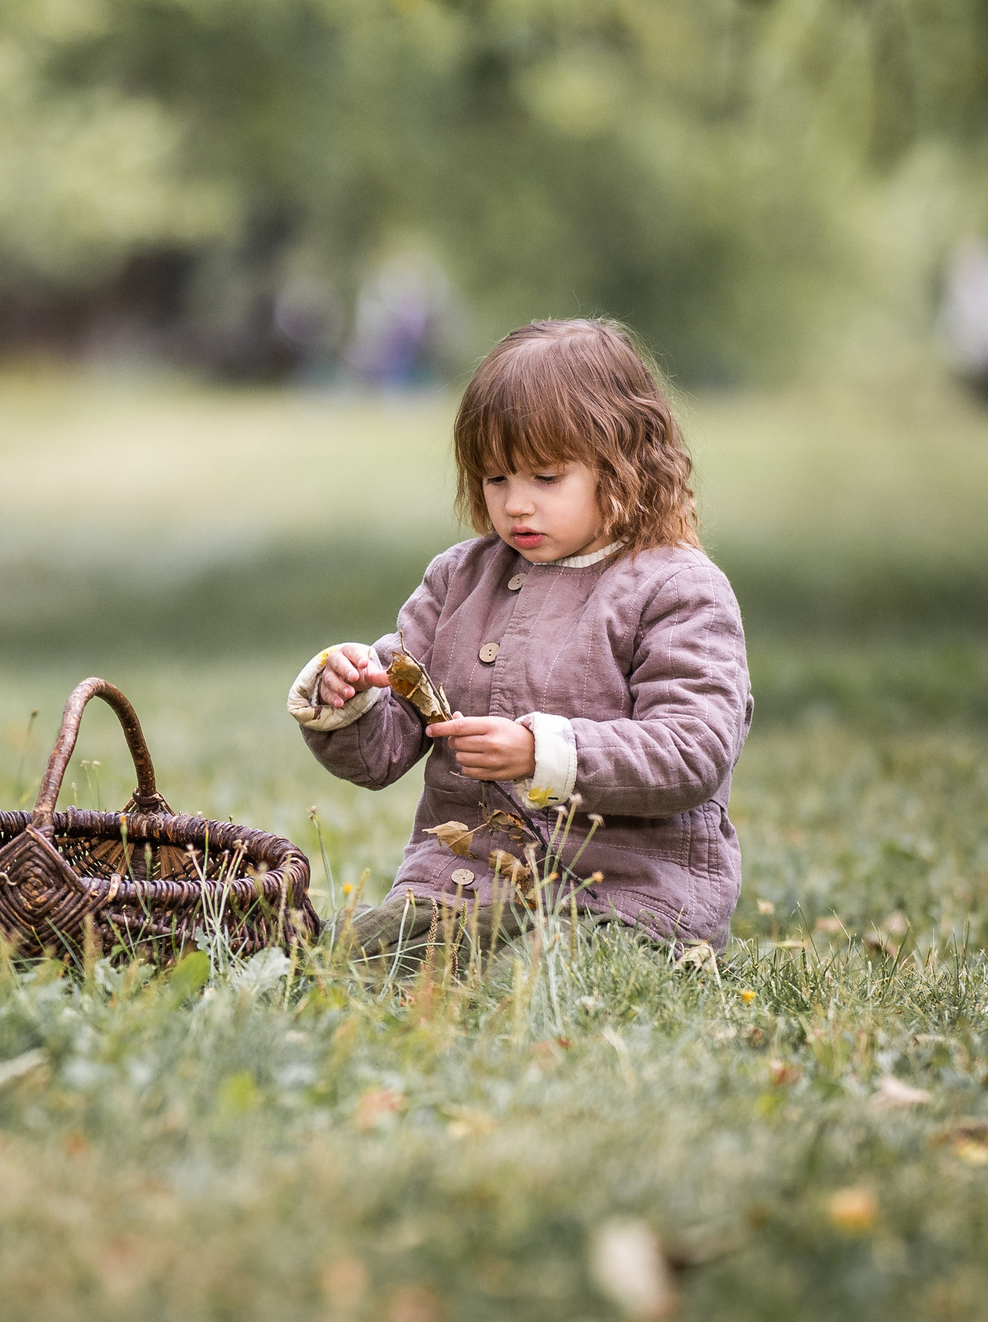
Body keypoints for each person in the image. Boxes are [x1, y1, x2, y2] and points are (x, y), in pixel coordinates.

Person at [287, 318, 752, 962]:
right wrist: (351, 700)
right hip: (458, 891)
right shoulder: (459, 579)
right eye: (496, 478)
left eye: (545, 477)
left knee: (539, 970)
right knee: (330, 956)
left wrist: (544, 753)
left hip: (624, 903)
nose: (516, 505)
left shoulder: (676, 587)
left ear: (624, 467)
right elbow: (382, 754)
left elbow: (693, 750)